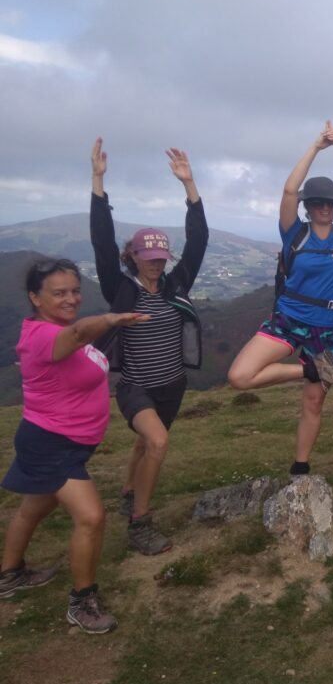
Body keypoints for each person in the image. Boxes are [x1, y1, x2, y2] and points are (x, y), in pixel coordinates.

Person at [1, 259, 147, 633]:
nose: (71, 299)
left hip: (63, 441)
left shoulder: (57, 329)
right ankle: (81, 603)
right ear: (35, 297)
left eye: (75, 291)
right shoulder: (44, 336)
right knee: (91, 517)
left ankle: (9, 575)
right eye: (59, 293)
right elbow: (82, 334)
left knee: (35, 506)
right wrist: (111, 319)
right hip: (52, 444)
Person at [228, 120, 333, 476]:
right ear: (309, 206)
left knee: (314, 402)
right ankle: (311, 369)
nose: (325, 207)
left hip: (329, 329)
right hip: (288, 320)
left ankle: (301, 467)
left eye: (331, 203)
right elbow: (290, 190)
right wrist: (316, 147)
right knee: (240, 376)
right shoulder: (294, 233)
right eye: (318, 202)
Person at [89, 138, 208, 556]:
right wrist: (98, 183)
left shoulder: (176, 284)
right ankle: (140, 522)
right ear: (134, 257)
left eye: (161, 256)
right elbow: (102, 244)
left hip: (172, 385)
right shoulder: (121, 289)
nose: (156, 262)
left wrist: (190, 186)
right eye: (149, 256)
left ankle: (127, 492)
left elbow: (198, 241)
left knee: (144, 443)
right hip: (135, 386)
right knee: (157, 442)